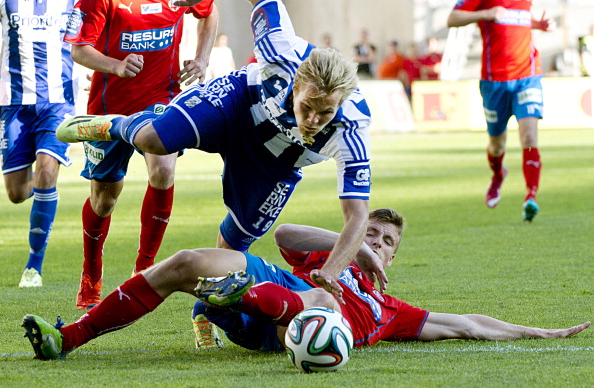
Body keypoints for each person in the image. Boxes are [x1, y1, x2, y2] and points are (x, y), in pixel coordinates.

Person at [57, 0, 381, 299]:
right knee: (155, 140)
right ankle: (114, 125)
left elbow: (357, 214)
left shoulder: (352, 128)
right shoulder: (279, 48)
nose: (312, 119)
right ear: (295, 85)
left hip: (276, 161)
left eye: (324, 113)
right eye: (307, 107)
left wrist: (333, 270)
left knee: (229, 256)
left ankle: (205, 311)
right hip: (237, 104)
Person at [21, 208, 590, 359]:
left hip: (288, 326)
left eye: (389, 243)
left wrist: (537, 332)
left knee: (323, 298)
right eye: (373, 235)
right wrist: (352, 244)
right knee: (189, 260)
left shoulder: (389, 308)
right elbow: (286, 230)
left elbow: (464, 324)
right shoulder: (325, 253)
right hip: (276, 287)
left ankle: (240, 300)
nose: (379, 247)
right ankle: (66, 339)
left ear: (397, 257)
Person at [63, 0, 219, 310]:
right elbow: (80, 50)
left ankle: (144, 269)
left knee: (163, 170)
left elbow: (209, 12)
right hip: (108, 113)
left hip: (161, 102)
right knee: (104, 200)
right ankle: (91, 273)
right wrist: (116, 65)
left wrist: (203, 58)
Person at [447, 0, 555, 221]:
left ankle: (530, 197)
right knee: (497, 144)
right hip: (494, 82)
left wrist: (538, 25)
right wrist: (486, 13)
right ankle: (498, 174)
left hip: (528, 77)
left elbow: (517, 21)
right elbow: (453, 18)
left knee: (529, 138)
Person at [0, 0, 79, 287]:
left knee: (46, 170)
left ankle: (33, 267)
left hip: (59, 101)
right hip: (13, 103)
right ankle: (45, 197)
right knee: (17, 193)